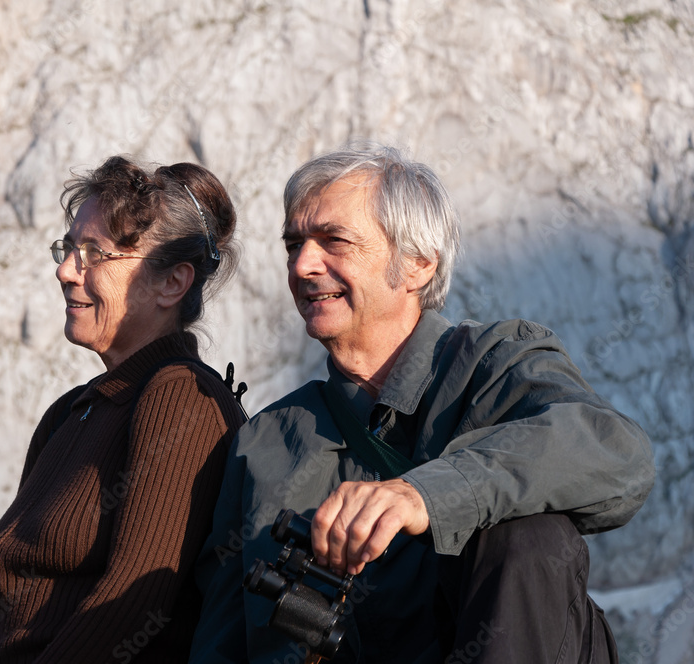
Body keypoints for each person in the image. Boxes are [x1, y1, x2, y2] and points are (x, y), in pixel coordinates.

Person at [190, 143, 655, 663]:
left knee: (527, 534)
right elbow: (219, 641)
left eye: (333, 241)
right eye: (293, 244)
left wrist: (425, 495)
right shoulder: (264, 444)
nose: (302, 265)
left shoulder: (496, 364)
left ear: (417, 265)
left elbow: (617, 452)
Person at [0, 155, 246, 663]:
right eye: (68, 249)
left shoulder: (182, 399)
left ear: (172, 283)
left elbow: (133, 601)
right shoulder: (70, 413)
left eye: (94, 254)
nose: (66, 271)